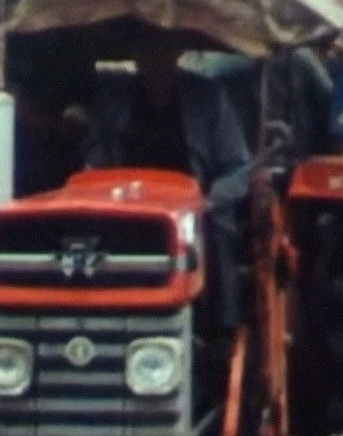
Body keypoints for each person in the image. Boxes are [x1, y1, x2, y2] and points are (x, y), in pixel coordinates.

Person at [84, 30, 251, 333]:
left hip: (191, 210)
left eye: (163, 48)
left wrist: (208, 200)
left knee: (220, 231)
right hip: (125, 207)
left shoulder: (208, 97)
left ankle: (223, 327)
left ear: (177, 51)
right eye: (146, 47)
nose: (155, 57)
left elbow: (240, 168)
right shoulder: (114, 99)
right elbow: (95, 155)